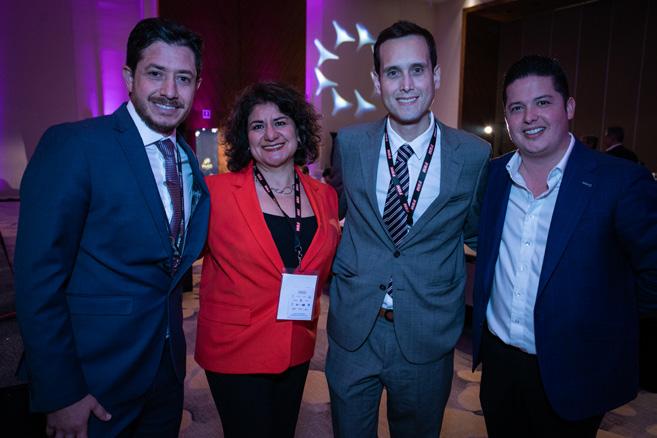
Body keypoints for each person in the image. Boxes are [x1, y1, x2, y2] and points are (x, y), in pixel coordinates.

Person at [14, 18, 209, 437]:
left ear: (196, 85)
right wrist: (60, 392)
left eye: (183, 78)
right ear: (128, 77)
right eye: (155, 73)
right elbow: (37, 279)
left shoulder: (188, 160)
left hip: (166, 373)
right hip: (93, 380)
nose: (170, 91)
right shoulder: (76, 145)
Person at [472, 55, 657, 437]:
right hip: (500, 365)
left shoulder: (619, 182)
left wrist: (606, 324)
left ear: (569, 107)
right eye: (517, 108)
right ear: (507, 118)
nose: (529, 117)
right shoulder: (493, 176)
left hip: (575, 370)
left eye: (543, 102)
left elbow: (652, 274)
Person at [326, 20, 491, 437]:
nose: (405, 85)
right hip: (354, 331)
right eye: (392, 72)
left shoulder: (473, 155)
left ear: (436, 75)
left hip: (426, 333)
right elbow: (333, 214)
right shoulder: (351, 144)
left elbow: (477, 232)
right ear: (376, 81)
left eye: (417, 70)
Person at [195, 82, 340, 438]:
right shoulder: (216, 193)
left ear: (298, 130)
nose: (270, 134)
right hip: (235, 349)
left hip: (296, 343)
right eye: (257, 126)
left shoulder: (325, 196)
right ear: (246, 138)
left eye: (280, 122)